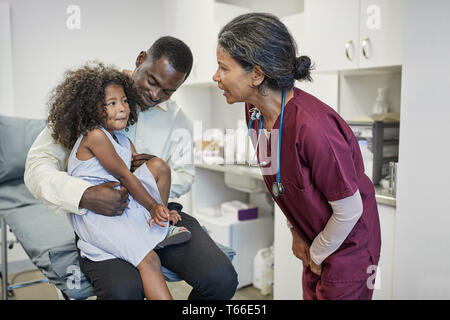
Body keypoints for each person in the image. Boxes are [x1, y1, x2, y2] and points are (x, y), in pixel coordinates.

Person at [25, 36, 238, 300]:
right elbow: (37, 167)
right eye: (152, 82)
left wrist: (148, 177)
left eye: (167, 92)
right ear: (140, 60)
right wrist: (85, 194)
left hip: (156, 212)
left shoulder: (178, 121)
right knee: (124, 291)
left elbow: (185, 174)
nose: (155, 95)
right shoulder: (91, 102)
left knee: (222, 279)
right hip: (105, 216)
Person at [213, 13, 381, 300]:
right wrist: (296, 231)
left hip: (348, 248)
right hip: (314, 240)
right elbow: (284, 182)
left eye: (223, 68)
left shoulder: (314, 128)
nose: (216, 77)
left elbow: (349, 210)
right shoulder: (255, 114)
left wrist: (317, 251)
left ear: (256, 74)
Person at [48, 62, 192, 300]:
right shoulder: (96, 136)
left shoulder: (122, 140)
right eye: (112, 103)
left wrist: (159, 206)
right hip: (98, 216)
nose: (123, 108)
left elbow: (137, 172)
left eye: (125, 101)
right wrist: (152, 206)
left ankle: (161, 222)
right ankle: (157, 221)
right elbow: (124, 175)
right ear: (93, 109)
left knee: (159, 166)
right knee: (150, 260)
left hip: (121, 206)